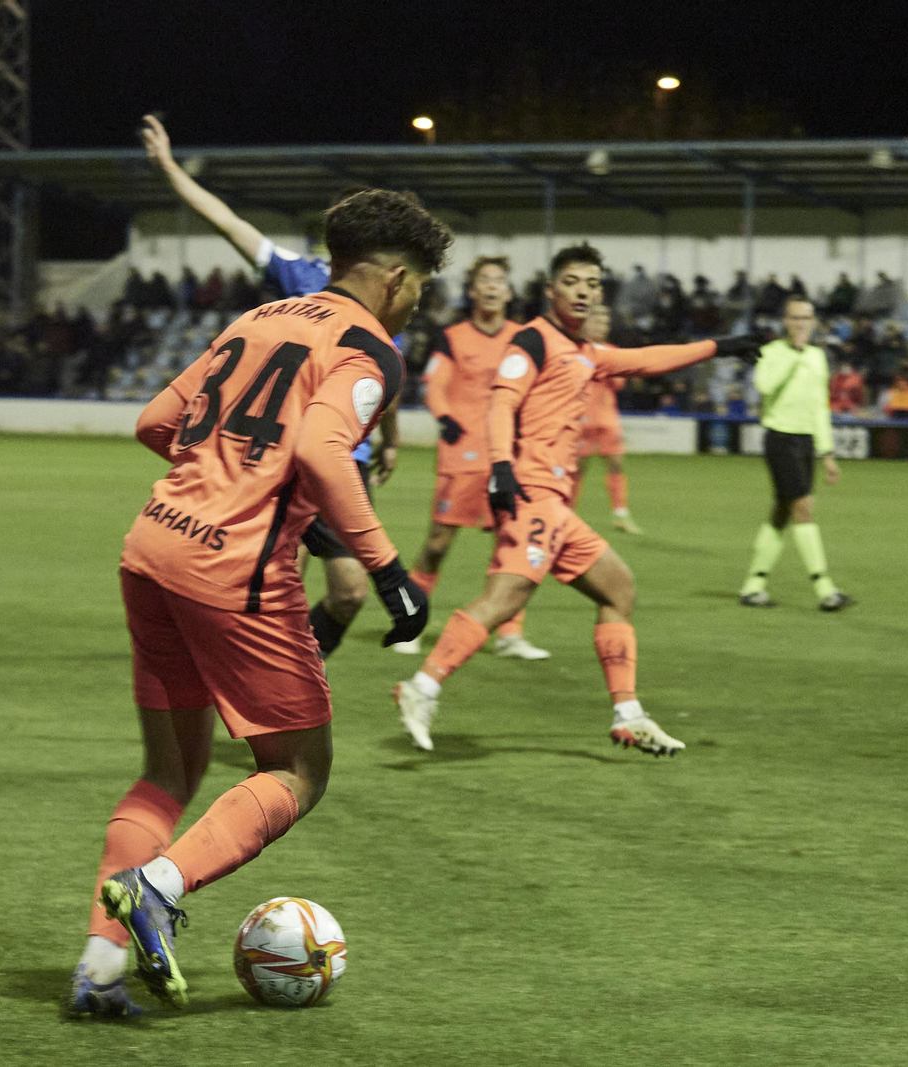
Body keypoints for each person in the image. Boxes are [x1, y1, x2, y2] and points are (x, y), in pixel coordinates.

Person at [71, 189, 445, 1018]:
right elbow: (318, 445)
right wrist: (388, 570)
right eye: (419, 283)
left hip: (153, 545)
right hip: (232, 573)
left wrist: (226, 478)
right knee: (299, 769)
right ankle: (156, 887)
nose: (418, 299)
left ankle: (98, 969)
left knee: (168, 772)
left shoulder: (259, 317)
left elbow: (155, 422)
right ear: (389, 276)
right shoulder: (372, 347)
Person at [392, 244, 759, 756]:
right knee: (505, 598)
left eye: (593, 283)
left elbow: (648, 361)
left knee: (618, 589)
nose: (584, 292)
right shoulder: (533, 341)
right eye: (572, 282)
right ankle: (422, 686)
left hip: (555, 505)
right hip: (532, 493)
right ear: (551, 290)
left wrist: (719, 346)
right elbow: (503, 400)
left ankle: (628, 714)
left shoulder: (585, 353)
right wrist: (500, 464)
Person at [140, 113, 398, 658]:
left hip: (343, 460)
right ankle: (264, 689)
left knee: (349, 594)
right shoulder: (297, 276)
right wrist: (169, 170)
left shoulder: (390, 295)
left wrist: (389, 436)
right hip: (279, 456)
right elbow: (227, 223)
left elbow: (384, 370)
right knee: (271, 588)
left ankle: (285, 675)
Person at [390, 255, 549, 660]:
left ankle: (511, 633)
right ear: (473, 291)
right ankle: (410, 623)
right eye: (485, 281)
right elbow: (435, 384)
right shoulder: (453, 337)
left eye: (500, 280)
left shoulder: (524, 336)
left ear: (509, 292)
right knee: (438, 544)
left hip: (507, 457)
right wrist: (445, 418)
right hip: (462, 456)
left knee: (511, 545)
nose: (493, 287)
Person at [737, 298, 853, 612]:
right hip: (780, 437)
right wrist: (794, 357)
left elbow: (820, 406)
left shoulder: (818, 357)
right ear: (786, 321)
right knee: (803, 506)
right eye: (795, 317)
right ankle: (824, 588)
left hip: (804, 442)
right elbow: (764, 385)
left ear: (813, 322)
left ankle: (754, 585)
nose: (801, 323)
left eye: (807, 317)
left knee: (782, 511)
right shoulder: (773, 352)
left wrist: (827, 452)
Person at [572, 302, 641, 533]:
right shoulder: (576, 350)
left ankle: (621, 514)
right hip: (581, 418)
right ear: (587, 322)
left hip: (607, 418)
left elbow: (619, 383)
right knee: (577, 469)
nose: (602, 326)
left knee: (616, 464)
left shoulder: (612, 351)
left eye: (605, 322)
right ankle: (566, 514)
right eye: (598, 321)